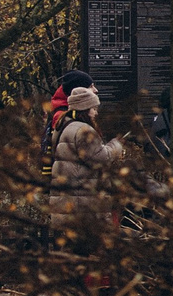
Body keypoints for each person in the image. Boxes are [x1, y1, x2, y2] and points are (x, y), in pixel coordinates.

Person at [48, 86, 123, 236]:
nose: (96, 113)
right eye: (94, 109)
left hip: (68, 204)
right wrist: (117, 145)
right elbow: (102, 158)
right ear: (85, 110)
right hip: (83, 205)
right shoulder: (83, 131)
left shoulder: (64, 126)